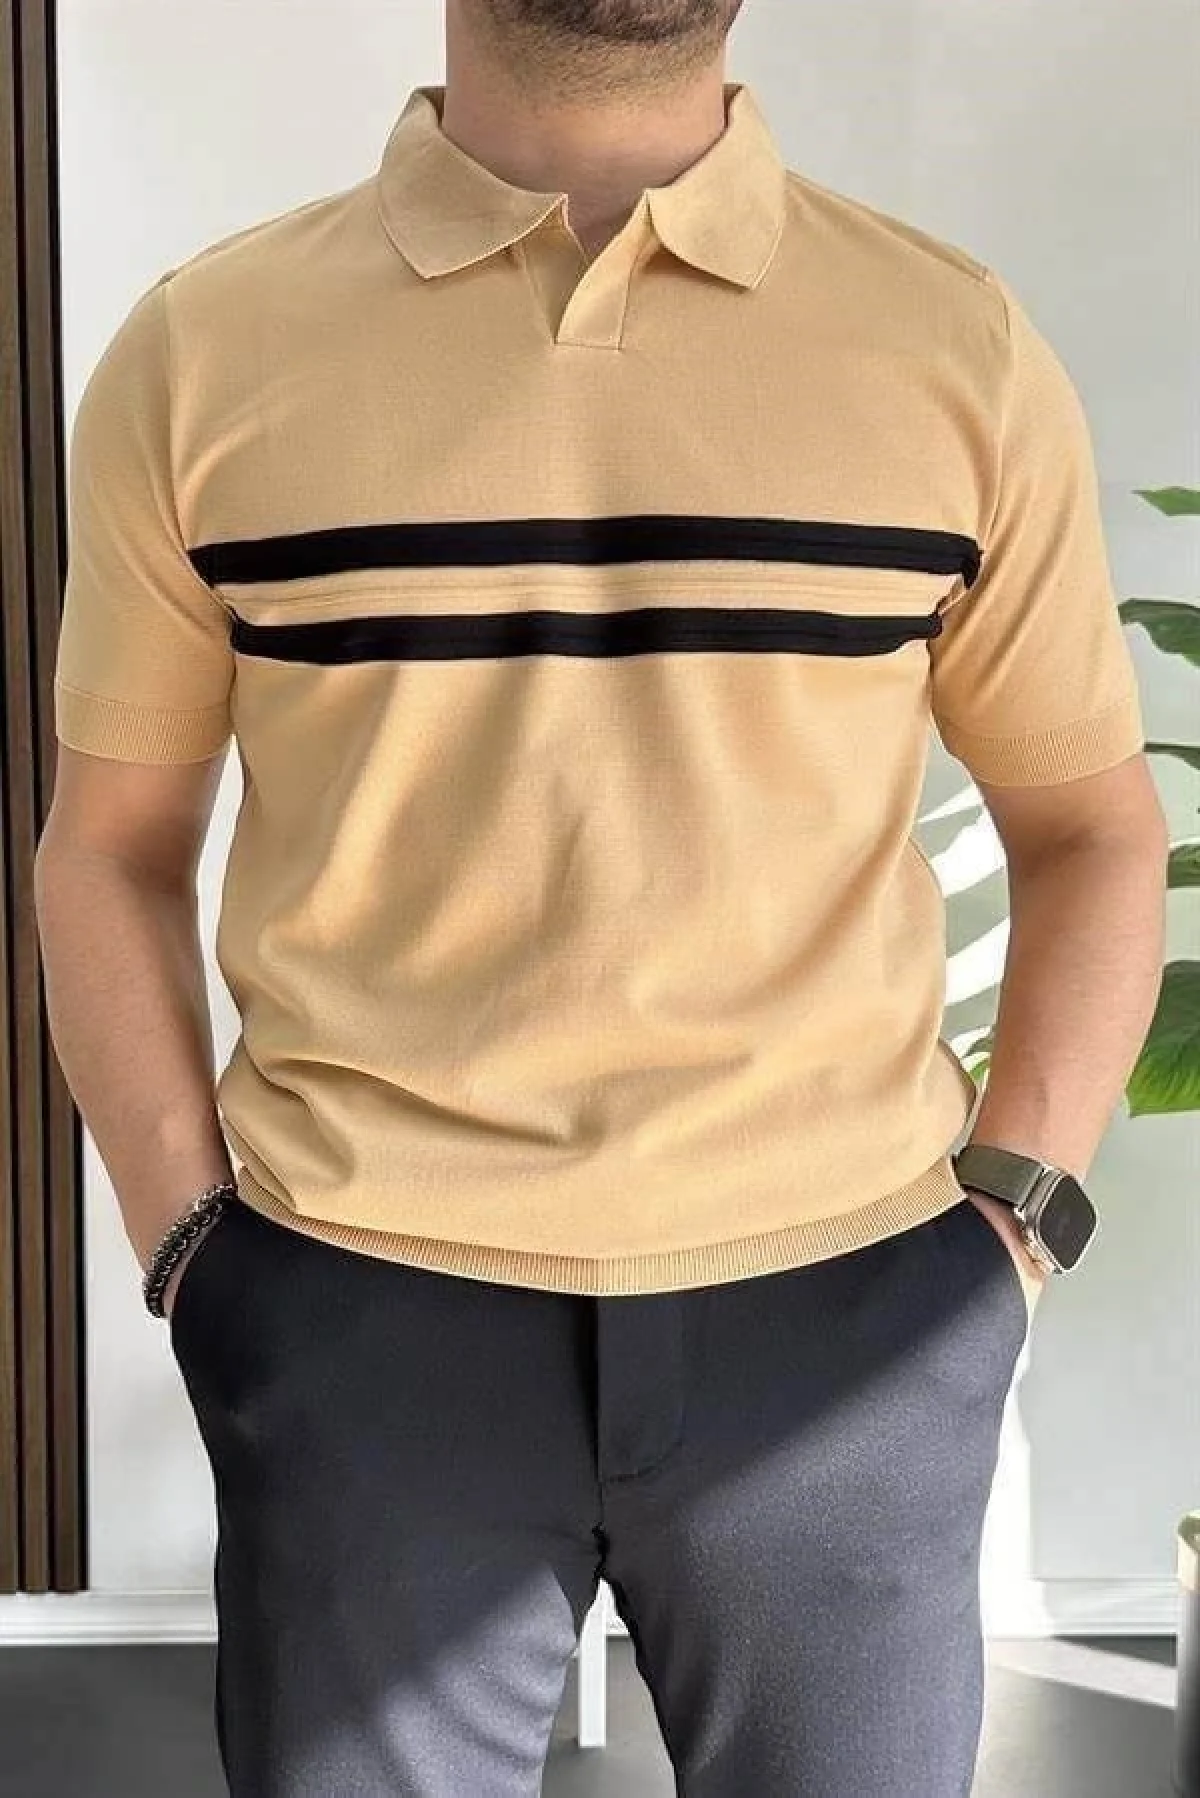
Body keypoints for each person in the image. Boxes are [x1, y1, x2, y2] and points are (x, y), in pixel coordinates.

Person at [34, 1, 1169, 1792]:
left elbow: (1091, 828)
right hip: (363, 1309)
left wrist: (1010, 1228)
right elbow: (107, 845)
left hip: (850, 1313)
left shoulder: (954, 344)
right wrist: (195, 1247)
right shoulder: (203, 348)